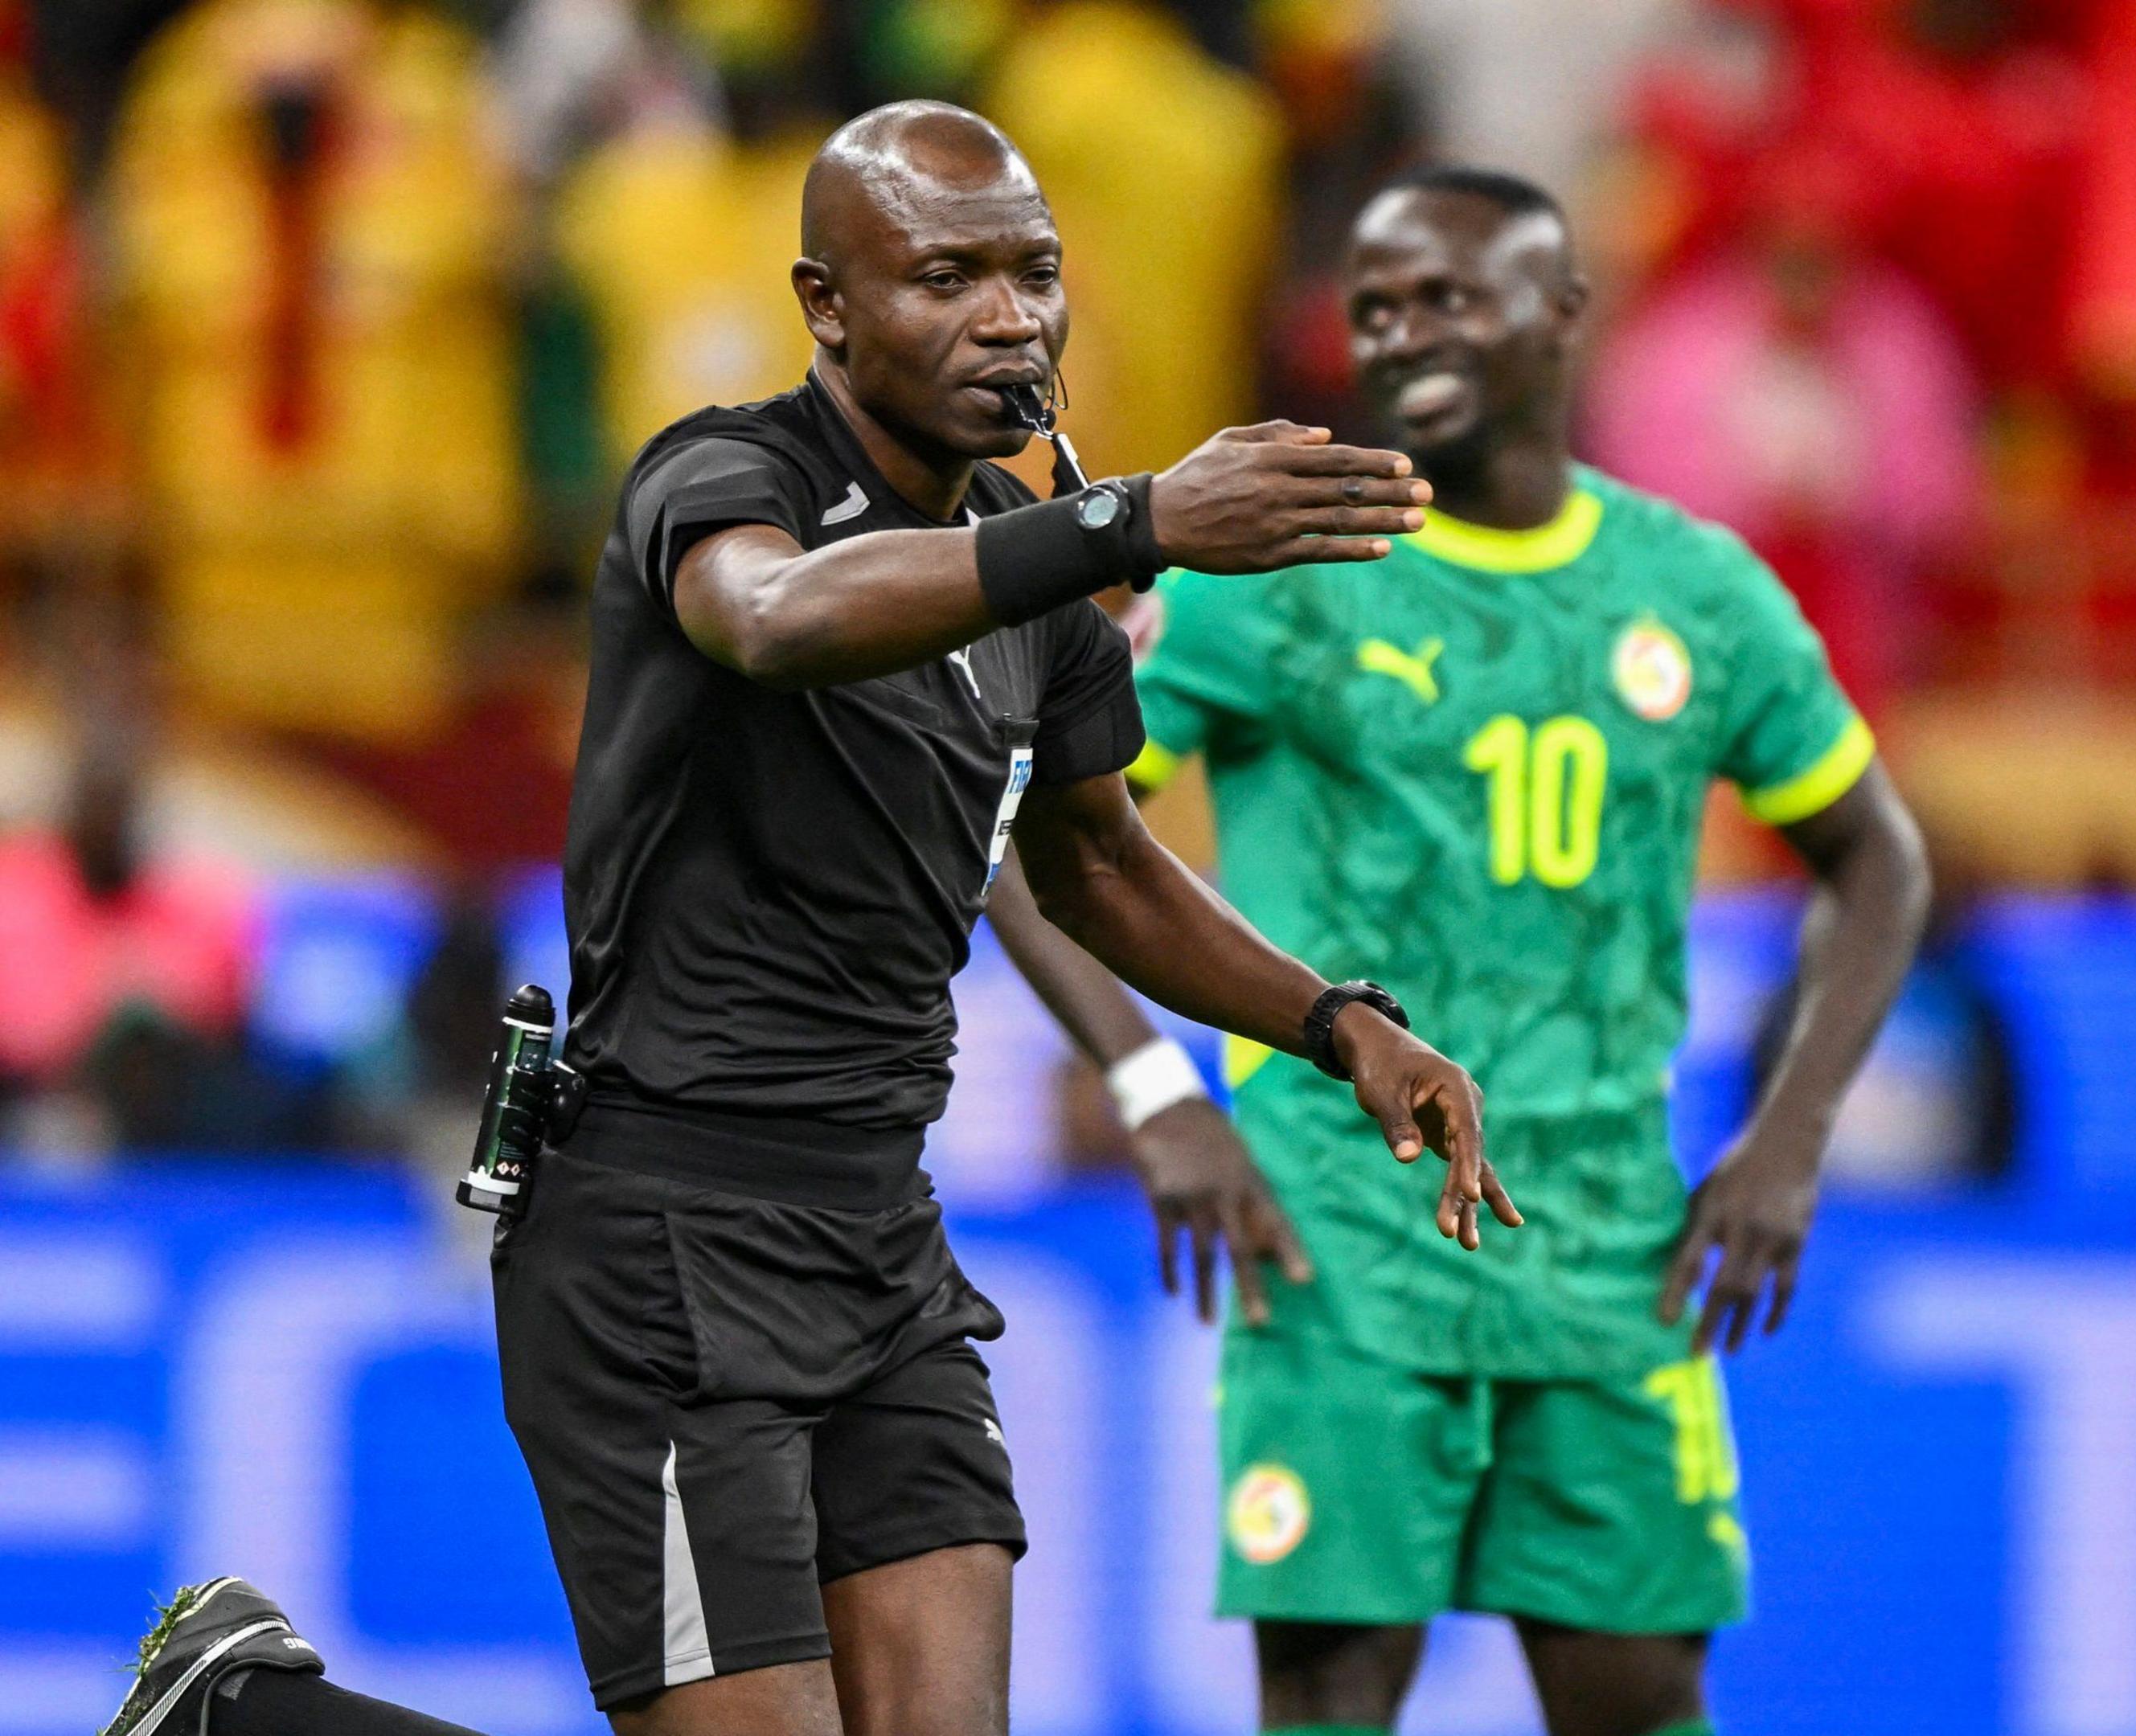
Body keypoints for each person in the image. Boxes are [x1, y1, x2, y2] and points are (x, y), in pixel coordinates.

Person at [102, 101, 1518, 1736]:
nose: (1009, 315)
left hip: (879, 1239)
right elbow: (773, 623)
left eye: (1036, 273)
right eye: (946, 276)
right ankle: (247, 1719)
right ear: (825, 304)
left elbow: (1102, 869)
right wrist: (1126, 524)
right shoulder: (722, 479)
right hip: (660, 1235)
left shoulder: (1022, 569)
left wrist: (1338, 1025)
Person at [999, 165, 1931, 1736]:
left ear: (1566, 313)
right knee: (1334, 1692)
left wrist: (1787, 1141)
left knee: (1641, 1698)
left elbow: (1880, 860)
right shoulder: (1278, 576)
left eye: (1450, 295)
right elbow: (1045, 844)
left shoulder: (1697, 593)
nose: (1405, 331)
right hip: (1339, 1247)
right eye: (1374, 307)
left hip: (1613, 1248)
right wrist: (1158, 1095)